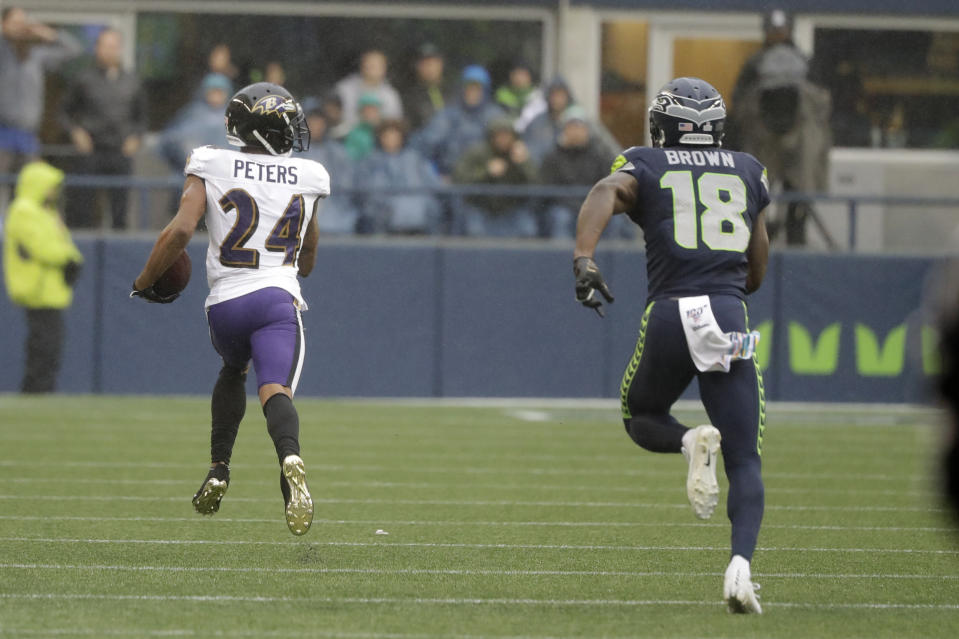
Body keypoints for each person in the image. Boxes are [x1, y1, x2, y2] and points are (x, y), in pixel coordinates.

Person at [573, 77, 770, 613]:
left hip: (670, 311)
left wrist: (584, 259)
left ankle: (688, 442)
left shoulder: (646, 162)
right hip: (727, 312)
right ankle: (740, 569)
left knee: (641, 415)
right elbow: (757, 269)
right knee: (746, 456)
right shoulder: (749, 170)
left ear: (664, 125)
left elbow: (604, 193)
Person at [131, 82, 329, 537]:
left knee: (232, 370)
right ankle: (289, 461)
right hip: (276, 297)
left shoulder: (210, 161)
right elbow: (310, 253)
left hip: (224, 305)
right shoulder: (310, 174)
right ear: (265, 130)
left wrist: (144, 282)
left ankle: (219, 467)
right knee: (274, 388)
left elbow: (180, 231)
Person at [728, 8, 831, 246]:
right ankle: (753, 243)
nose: (777, 35)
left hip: (797, 143)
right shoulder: (754, 65)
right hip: (762, 143)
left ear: (790, 31)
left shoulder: (806, 64)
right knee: (754, 200)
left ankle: (796, 244)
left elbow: (822, 106)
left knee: (797, 202)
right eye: (773, 30)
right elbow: (739, 103)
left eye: (781, 30)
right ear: (765, 32)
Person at [2, 160, 83, 393]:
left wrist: (73, 258)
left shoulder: (45, 212)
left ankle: (43, 388)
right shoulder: (23, 210)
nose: (54, 191)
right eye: (50, 185)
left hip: (51, 289)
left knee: (50, 343)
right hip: (36, 288)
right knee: (43, 343)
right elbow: (42, 246)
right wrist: (69, 259)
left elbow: (61, 241)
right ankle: (35, 388)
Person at [59, 28, 147, 230]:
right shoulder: (83, 79)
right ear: (97, 48)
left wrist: (136, 137)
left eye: (114, 47)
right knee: (83, 208)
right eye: (105, 46)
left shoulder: (132, 81)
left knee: (120, 209)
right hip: (90, 151)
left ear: (120, 49)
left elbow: (142, 118)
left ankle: (119, 255)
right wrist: (76, 132)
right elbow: (64, 113)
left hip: (120, 152)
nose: (109, 51)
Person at [0, 7, 82, 210]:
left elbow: (74, 51)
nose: (21, 28)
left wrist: (49, 34)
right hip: (3, 133)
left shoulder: (37, 57)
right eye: (15, 23)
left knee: (29, 189)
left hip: (29, 134)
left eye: (24, 23)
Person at [537, 106, 617, 238]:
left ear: (586, 130)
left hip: (594, 205)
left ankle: (607, 257)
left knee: (613, 219)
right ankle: (561, 257)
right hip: (563, 207)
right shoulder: (552, 156)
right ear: (564, 130)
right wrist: (574, 204)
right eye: (571, 127)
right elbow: (548, 189)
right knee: (560, 218)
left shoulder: (600, 154)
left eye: (579, 127)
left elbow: (609, 183)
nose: (575, 131)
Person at [412, 64, 504, 178]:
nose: (472, 92)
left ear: (485, 91)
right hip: (450, 179)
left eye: (477, 88)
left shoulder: (495, 116)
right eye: (468, 87)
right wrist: (434, 175)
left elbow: (505, 145)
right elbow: (425, 144)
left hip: (486, 180)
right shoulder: (448, 115)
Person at [452, 116, 537, 237]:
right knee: (474, 231)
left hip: (513, 208)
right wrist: (486, 172)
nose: (503, 140)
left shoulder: (520, 154)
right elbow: (459, 178)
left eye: (507, 135)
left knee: (528, 230)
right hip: (481, 207)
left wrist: (523, 164)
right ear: (492, 137)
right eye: (499, 136)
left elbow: (536, 184)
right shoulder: (478, 152)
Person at [356, 118, 443, 234]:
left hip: (419, 213)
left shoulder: (415, 158)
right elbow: (366, 192)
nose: (391, 140)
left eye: (395, 136)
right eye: (387, 136)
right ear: (380, 138)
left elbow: (433, 184)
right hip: (384, 215)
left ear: (402, 137)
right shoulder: (370, 161)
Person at [300, 103, 360, 234]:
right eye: (312, 120)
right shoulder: (290, 153)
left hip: (337, 220)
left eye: (320, 121)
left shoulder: (339, 153)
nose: (316, 125)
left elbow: (347, 189)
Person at [159, 72, 233, 171]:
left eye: (219, 92)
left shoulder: (235, 116)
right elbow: (169, 140)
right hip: (192, 175)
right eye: (212, 92)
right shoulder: (192, 113)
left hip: (226, 176)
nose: (216, 96)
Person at [335, 49, 402, 130]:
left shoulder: (390, 94)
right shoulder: (345, 89)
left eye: (377, 65)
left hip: (377, 138)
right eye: (369, 64)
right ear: (362, 66)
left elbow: (394, 124)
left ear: (384, 69)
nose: (372, 68)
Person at [401, 42, 448, 133]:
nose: (430, 68)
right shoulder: (410, 97)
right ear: (417, 67)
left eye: (433, 63)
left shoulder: (453, 92)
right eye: (425, 64)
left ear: (441, 64)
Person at [343, 92, 383, 162]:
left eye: (373, 110)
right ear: (361, 113)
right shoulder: (355, 134)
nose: (370, 114)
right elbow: (351, 158)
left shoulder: (387, 130)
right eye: (367, 110)